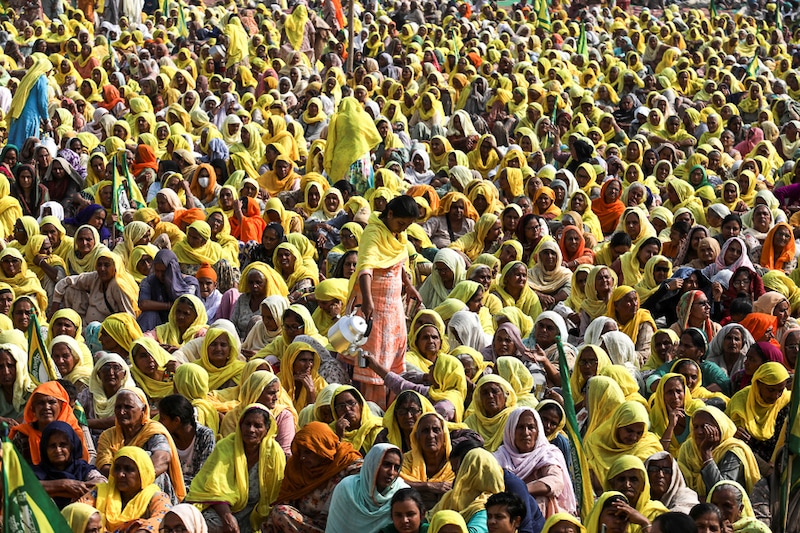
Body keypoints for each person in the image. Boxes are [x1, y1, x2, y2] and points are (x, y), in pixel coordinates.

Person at [347, 195, 421, 408]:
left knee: (393, 357)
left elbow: (400, 263)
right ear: (389, 214)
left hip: (393, 308)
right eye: (400, 223)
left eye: (406, 226)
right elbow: (365, 269)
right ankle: (371, 409)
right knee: (371, 359)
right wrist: (368, 301)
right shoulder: (373, 233)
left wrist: (409, 285)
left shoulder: (398, 235)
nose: (402, 229)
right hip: (373, 307)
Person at [187, 403, 286, 533]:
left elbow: (276, 494)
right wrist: (227, 517)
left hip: (255, 513)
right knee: (207, 523)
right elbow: (214, 490)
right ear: (240, 425)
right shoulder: (226, 447)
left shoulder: (274, 453)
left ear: (267, 429)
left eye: (258, 426)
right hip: (224, 510)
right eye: (247, 424)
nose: (251, 430)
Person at [267, 421, 363, 533]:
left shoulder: (345, 461)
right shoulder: (297, 466)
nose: (302, 457)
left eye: (308, 452)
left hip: (341, 524)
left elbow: (366, 481)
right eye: (301, 452)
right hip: (309, 524)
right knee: (279, 512)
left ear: (322, 448)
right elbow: (285, 499)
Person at [493, 407, 575, 517]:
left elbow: (555, 481)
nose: (526, 433)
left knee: (541, 499)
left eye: (531, 427)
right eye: (520, 427)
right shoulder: (500, 456)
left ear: (538, 431)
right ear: (511, 430)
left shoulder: (547, 453)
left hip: (540, 513)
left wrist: (522, 490)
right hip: (505, 508)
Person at [76, 447, 171, 533]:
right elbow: (79, 510)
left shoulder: (156, 497)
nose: (120, 474)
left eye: (128, 469)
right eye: (117, 468)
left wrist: (143, 530)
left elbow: (163, 516)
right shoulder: (101, 491)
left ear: (142, 473)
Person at [325, 443, 409, 533]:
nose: (391, 472)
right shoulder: (347, 488)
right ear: (372, 463)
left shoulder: (401, 492)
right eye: (386, 464)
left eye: (396, 468)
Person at [33, 421, 106, 509]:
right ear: (45, 449)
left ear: (72, 446)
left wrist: (77, 488)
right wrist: (64, 484)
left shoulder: (81, 468)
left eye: (63, 445)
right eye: (52, 446)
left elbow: (102, 482)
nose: (58, 450)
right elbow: (29, 487)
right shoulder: (37, 472)